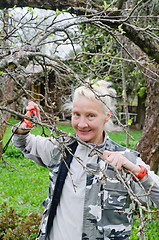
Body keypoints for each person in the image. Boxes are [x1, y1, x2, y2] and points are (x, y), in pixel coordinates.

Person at [12, 80, 159, 240]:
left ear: (107, 115)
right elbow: (24, 142)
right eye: (76, 114)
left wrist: (135, 170)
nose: (82, 124)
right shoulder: (61, 149)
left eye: (91, 116)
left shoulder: (126, 159)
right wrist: (26, 123)